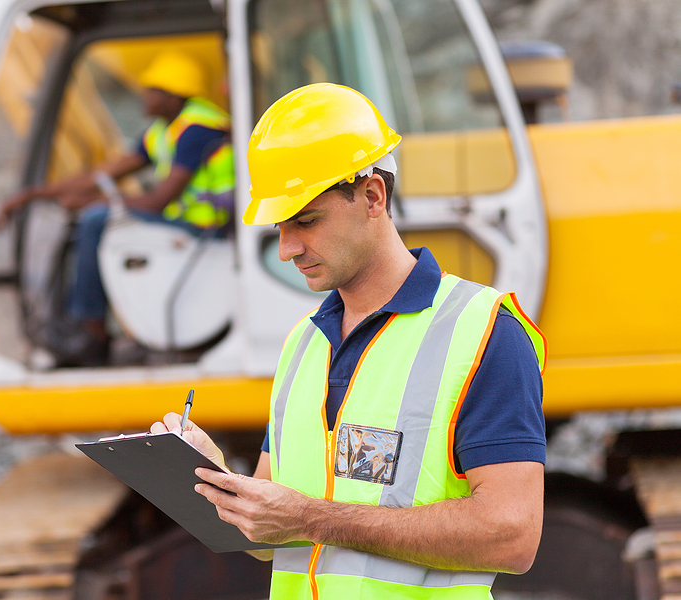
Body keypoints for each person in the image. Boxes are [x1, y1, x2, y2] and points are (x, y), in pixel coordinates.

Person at [151, 83, 547, 599]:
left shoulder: (483, 331)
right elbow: (272, 538)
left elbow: (512, 536)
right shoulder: (303, 344)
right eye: (280, 227)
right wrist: (215, 476)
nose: (288, 247)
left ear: (372, 196)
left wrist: (313, 519)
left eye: (307, 221)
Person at [0, 50, 234, 366]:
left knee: (96, 219)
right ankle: (101, 322)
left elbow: (157, 201)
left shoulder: (198, 130)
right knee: (97, 218)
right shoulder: (165, 130)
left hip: (211, 230)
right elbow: (104, 174)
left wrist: (90, 202)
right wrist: (33, 194)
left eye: (153, 90)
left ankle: (92, 328)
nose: (143, 96)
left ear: (175, 97)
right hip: (187, 223)